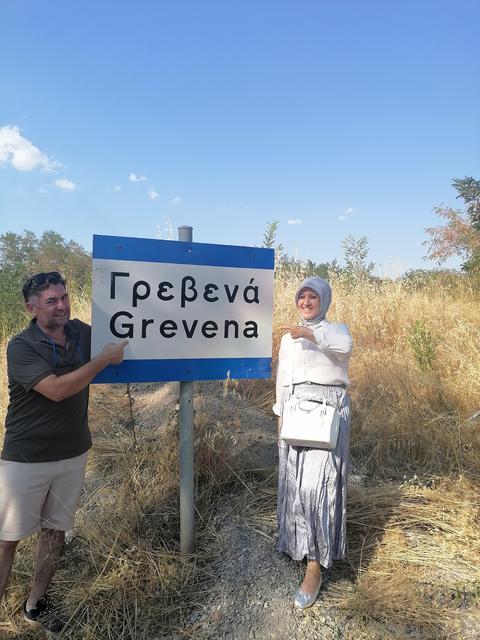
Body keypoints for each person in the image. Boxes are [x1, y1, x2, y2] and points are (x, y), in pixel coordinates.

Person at [0, 271, 128, 633]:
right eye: (51, 301)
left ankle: (36, 604)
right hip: (26, 458)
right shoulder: (21, 346)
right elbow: (56, 390)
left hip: (73, 453)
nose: (62, 306)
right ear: (32, 308)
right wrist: (102, 360)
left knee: (55, 533)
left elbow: (127, 333)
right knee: (6, 540)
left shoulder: (80, 333)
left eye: (64, 297)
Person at [273, 276, 353, 609]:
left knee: (318, 487)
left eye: (312, 297)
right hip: (295, 413)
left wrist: (307, 333)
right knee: (295, 485)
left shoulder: (336, 330)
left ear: (324, 300)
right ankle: (298, 545)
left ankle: (314, 568)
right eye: (301, 296)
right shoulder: (288, 339)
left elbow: (344, 348)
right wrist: (279, 412)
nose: (305, 302)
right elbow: (283, 377)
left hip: (326, 416)